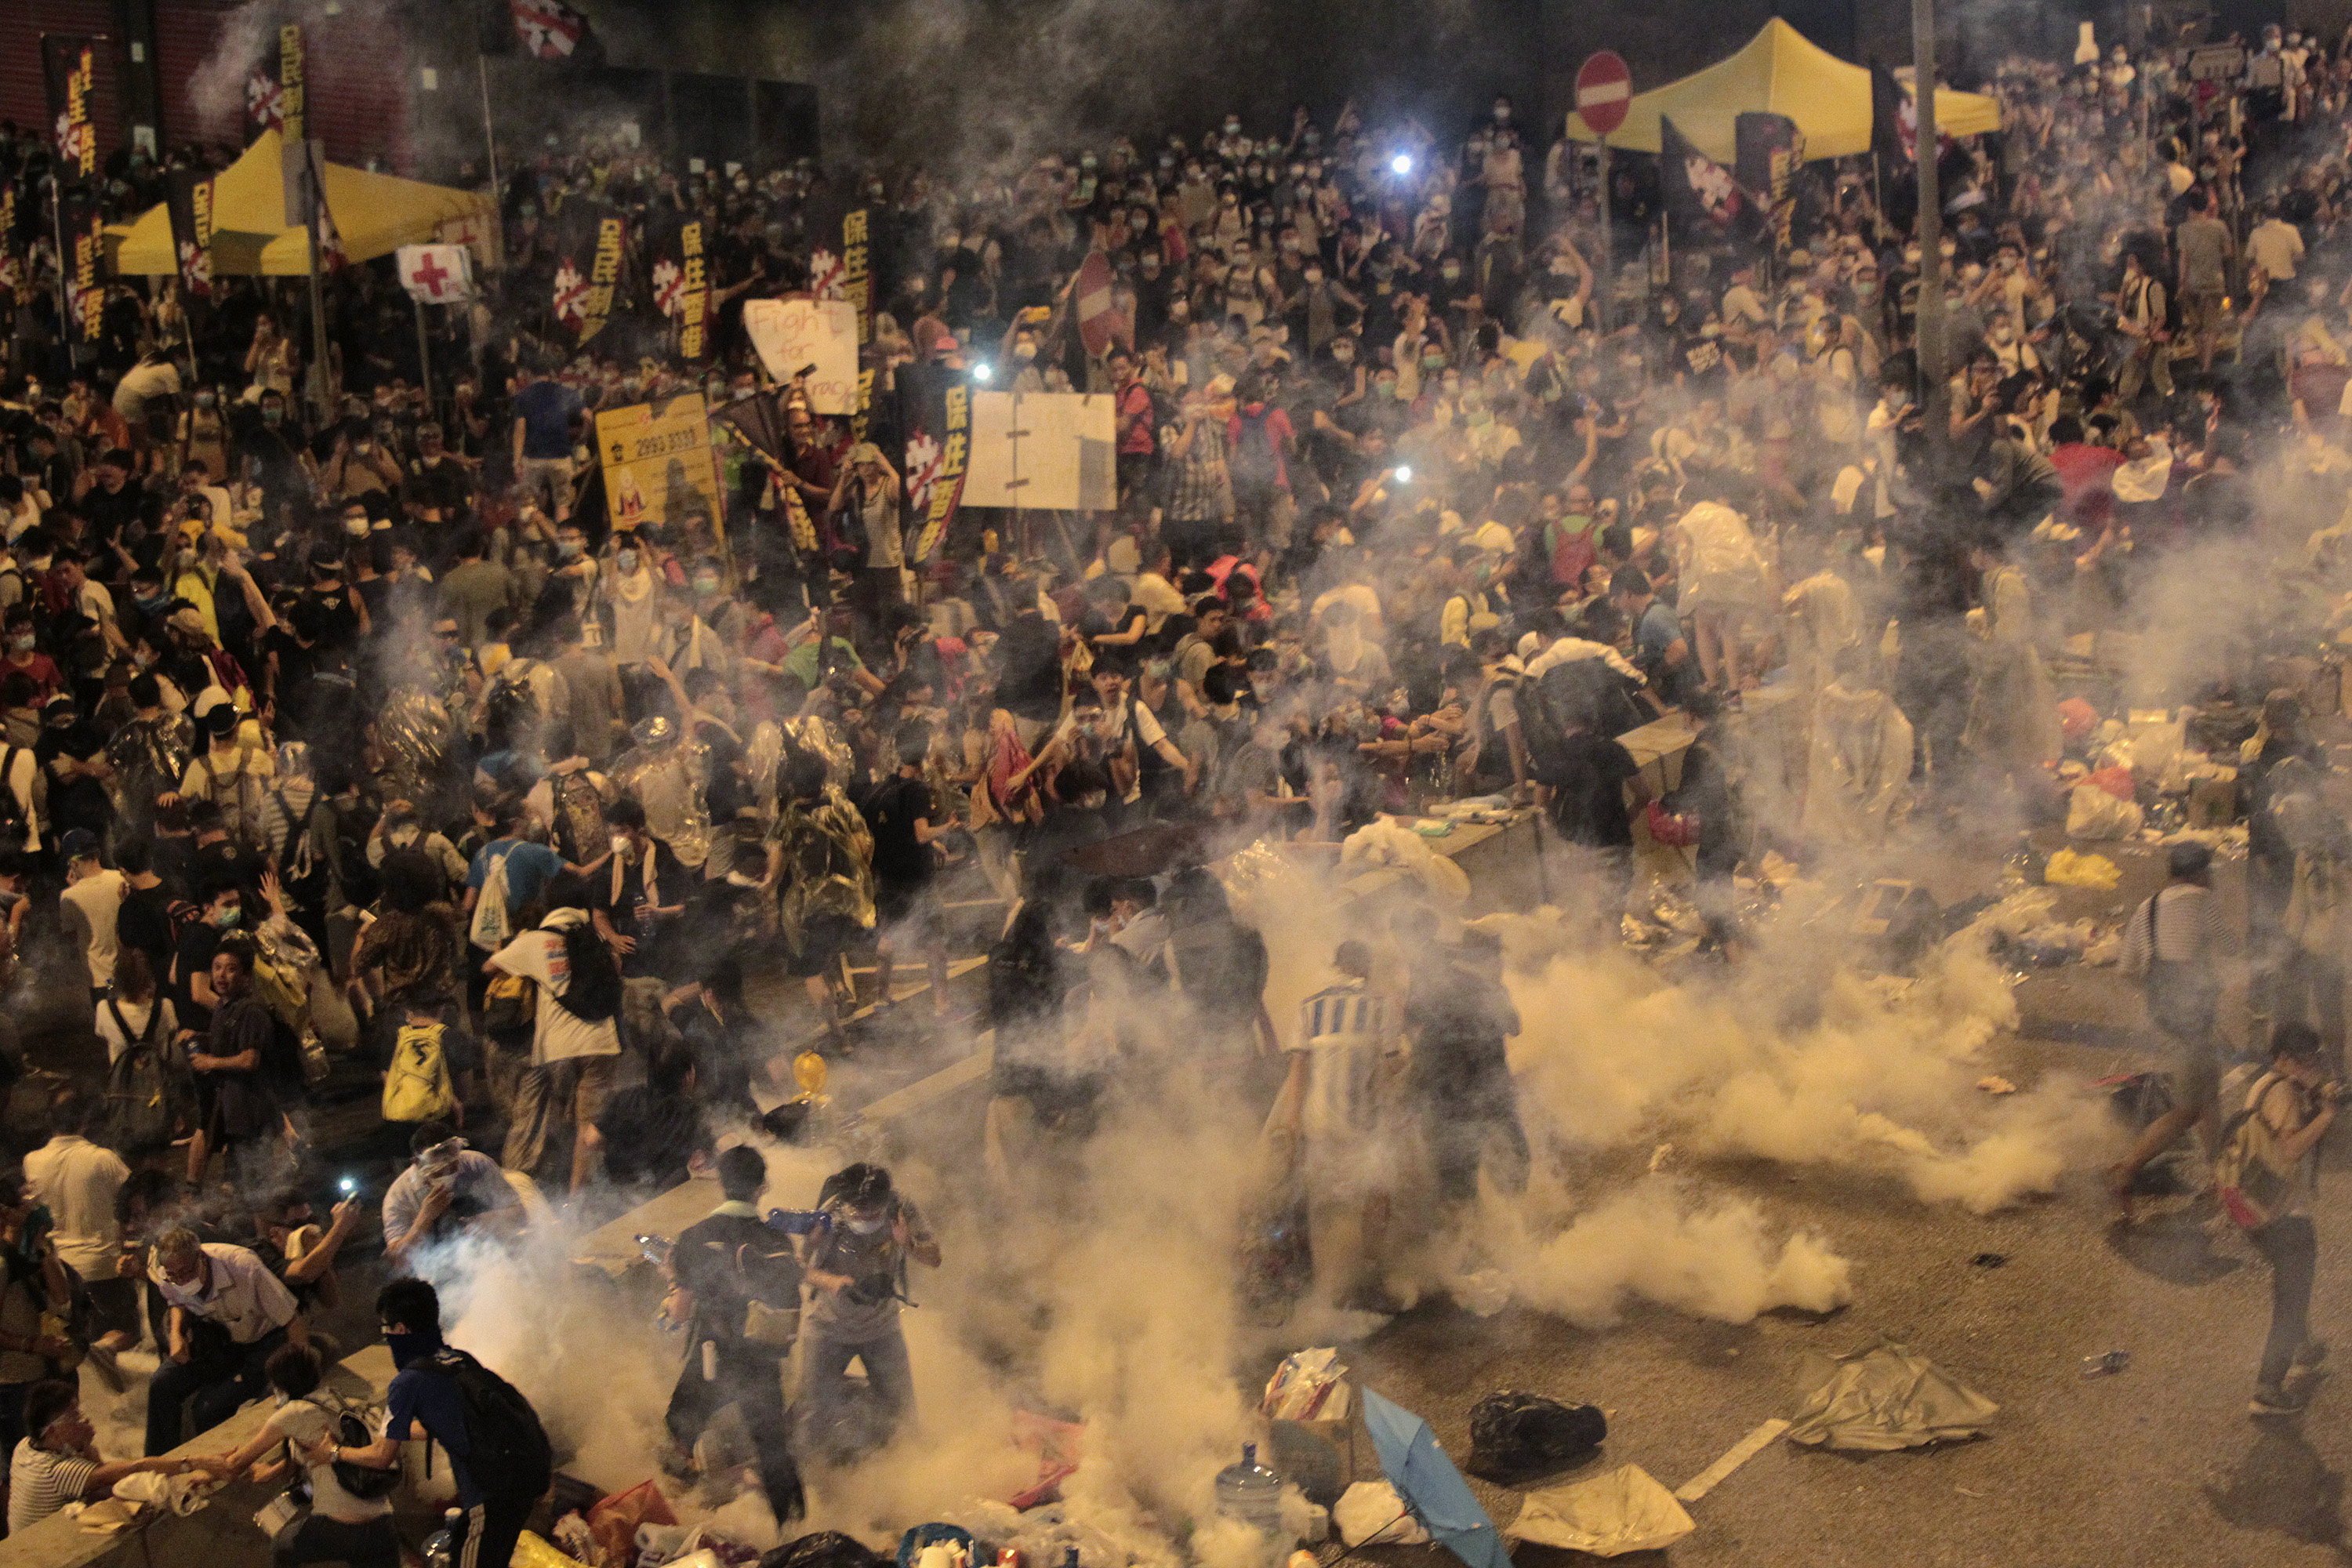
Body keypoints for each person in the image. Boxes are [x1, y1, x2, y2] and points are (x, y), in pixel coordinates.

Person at [327, 1278, 550, 1568]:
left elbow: (382, 1457)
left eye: (385, 1327)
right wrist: (394, 1431)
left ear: (400, 1329)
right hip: (520, 1481)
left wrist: (334, 1453)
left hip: (490, 1497)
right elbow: (446, 1423)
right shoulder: (458, 1360)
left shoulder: (408, 1381)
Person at [660, 1145, 804, 1521]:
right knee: (774, 1450)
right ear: (761, 1188)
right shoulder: (777, 1241)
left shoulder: (694, 1237)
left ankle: (672, 1515)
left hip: (713, 1358)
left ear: (721, 1183)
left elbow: (681, 1310)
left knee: (679, 1428)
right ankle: (795, 1532)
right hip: (760, 1361)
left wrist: (673, 1281)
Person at [1265, 939, 1401, 1308]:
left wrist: (1292, 1125)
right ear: (1366, 968)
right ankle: (1371, 1283)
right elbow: (1390, 1067)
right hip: (1363, 1121)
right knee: (1376, 1196)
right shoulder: (1379, 1006)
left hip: (1318, 1122)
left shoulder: (1310, 1006)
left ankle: (1330, 1292)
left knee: (1325, 1205)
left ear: (1336, 966)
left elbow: (1298, 1071)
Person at [2111, 841, 2241, 1217]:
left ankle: (2219, 1179)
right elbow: (2231, 947)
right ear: (2202, 872)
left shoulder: (2147, 908)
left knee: (2210, 1095)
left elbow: (2128, 970)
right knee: (2188, 1108)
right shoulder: (2204, 902)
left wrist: (2160, 997)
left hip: (2167, 1020)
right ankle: (2126, 1169)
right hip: (2194, 1024)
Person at [197, 1343, 398, 1568]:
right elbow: (317, 1448)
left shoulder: (292, 1412)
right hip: (383, 1525)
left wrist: (190, 1465)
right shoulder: (342, 1401)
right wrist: (275, 1470)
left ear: (281, 1385)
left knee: (282, 1547)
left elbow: (234, 1464)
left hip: (338, 1527)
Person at [488, 874, 622, 1195]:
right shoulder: (594, 937)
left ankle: (540, 1193)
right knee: (589, 1128)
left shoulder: (536, 940)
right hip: (601, 1043)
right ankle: (580, 1201)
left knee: (552, 1121)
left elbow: (490, 967)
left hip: (557, 1048)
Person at [2232, 1024, 2339, 1416]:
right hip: (2283, 1215)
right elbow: (2291, 1149)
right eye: (2305, 1060)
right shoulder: (2284, 1095)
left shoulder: (2264, 1084)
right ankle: (2267, 1389)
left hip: (2253, 1206)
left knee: (2293, 1283)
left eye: (2315, 1058)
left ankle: (2304, 1346)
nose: (2313, 1067)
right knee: (2291, 1299)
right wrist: (2327, 1115)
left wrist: (2313, 1094)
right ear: (2283, 1059)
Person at [798, 1163, 939, 1460]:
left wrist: (909, 1244)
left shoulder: (902, 1209)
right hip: (828, 1327)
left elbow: (935, 1258)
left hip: (882, 1329)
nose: (866, 1219)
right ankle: (815, 1484)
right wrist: (831, 1281)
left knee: (903, 1417)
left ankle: (913, 1477)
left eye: (874, 1214)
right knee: (812, 1418)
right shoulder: (828, 1214)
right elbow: (795, 1267)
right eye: (858, 1214)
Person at [143, 1226, 305, 1456]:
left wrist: (301, 1378)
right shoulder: (167, 1274)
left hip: (261, 1342)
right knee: (162, 1382)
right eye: (173, 1275)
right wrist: (176, 1335)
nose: (180, 1280)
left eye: (186, 1273)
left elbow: (292, 1319)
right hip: (217, 1338)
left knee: (207, 1408)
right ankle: (159, 1464)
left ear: (201, 1258)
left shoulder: (243, 1267)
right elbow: (176, 1301)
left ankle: (220, 1465)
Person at [1404, 927, 1527, 1212]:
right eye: (1498, 958)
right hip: (1484, 1090)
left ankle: (1463, 1242)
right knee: (1513, 1163)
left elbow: (1411, 1019)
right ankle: (1507, 1234)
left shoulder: (1435, 984)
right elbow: (1515, 1027)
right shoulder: (1490, 989)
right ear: (1487, 958)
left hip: (1442, 1093)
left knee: (1456, 1179)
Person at [24, 1091, 133, 1385]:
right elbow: (135, 1200)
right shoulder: (103, 1159)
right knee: (126, 1330)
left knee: (79, 1341)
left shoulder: (31, 1161)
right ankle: (106, 1351)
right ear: (86, 1119)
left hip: (59, 1271)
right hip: (102, 1265)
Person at [11, 1381, 220, 1534]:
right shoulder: (58, 1472)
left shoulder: (25, 1447)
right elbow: (132, 1470)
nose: (84, 1420)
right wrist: (194, 1464)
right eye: (75, 1417)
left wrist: (85, 1444)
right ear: (52, 1431)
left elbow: (100, 1473)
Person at [381, 1125, 521, 1272]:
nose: (447, 1176)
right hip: (435, 1273)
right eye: (436, 1173)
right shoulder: (400, 1195)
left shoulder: (477, 1164)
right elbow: (399, 1261)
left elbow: (521, 1214)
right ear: (417, 1163)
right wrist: (425, 1218)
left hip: (492, 1259)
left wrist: (485, 1220)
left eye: (453, 1167)